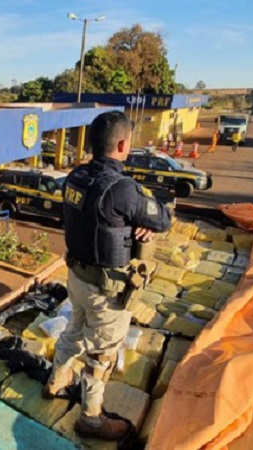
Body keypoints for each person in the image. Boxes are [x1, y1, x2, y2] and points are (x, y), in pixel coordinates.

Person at [43, 111, 172, 440]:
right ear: (122, 144)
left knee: (74, 329)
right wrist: (138, 223)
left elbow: (97, 220)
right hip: (107, 291)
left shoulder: (75, 177)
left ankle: (56, 381)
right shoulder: (122, 188)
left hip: (76, 277)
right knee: (101, 354)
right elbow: (161, 218)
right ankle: (91, 418)